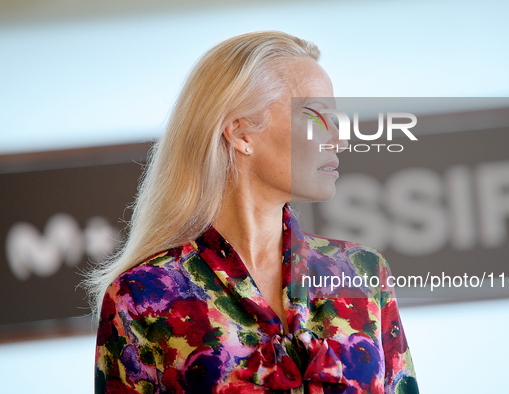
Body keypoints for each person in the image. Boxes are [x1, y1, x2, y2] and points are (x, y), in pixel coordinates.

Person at [87, 30, 418, 393]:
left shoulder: (364, 272)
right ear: (241, 132)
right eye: (317, 116)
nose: (339, 138)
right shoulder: (141, 297)